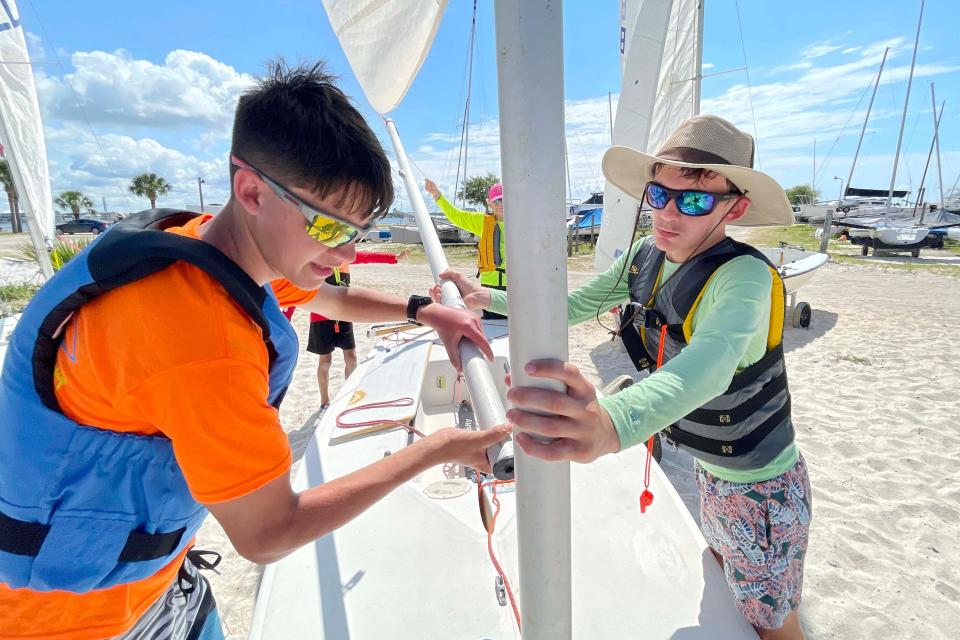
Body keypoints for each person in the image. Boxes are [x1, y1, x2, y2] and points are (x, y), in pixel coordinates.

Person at [0, 60, 508, 640]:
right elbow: (268, 534)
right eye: (329, 229)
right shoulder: (200, 341)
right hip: (73, 619)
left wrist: (422, 310)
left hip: (161, 583)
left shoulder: (205, 245)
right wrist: (436, 449)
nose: (346, 254)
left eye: (361, 233)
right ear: (250, 190)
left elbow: (328, 300)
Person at [435, 115, 812, 640]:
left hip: (761, 485)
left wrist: (612, 422)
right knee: (726, 583)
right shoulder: (645, 257)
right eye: (659, 194)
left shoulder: (744, 277)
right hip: (712, 470)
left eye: (696, 200)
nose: (669, 213)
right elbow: (577, 304)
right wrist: (490, 298)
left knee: (773, 625)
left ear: (736, 206)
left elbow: (713, 361)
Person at [283, 249, 410, 409]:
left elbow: (368, 257)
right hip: (321, 317)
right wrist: (286, 317)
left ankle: (348, 395)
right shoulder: (316, 259)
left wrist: (394, 258)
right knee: (325, 361)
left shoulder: (344, 259)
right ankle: (324, 401)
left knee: (351, 358)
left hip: (344, 315)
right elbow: (297, 291)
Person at [424, 177, 507, 319]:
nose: (501, 204)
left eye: (504, 199)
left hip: (514, 284)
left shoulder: (522, 221)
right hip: (489, 286)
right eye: (496, 201)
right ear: (490, 204)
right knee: (494, 326)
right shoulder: (481, 221)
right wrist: (437, 195)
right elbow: (456, 216)